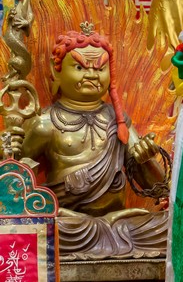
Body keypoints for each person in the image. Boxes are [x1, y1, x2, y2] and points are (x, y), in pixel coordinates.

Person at [10, 23, 169, 259]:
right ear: (56, 72)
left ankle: (106, 233)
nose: (92, 75)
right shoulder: (45, 123)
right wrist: (10, 153)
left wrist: (145, 159)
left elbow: (157, 189)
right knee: (43, 228)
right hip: (69, 222)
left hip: (118, 223)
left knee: (165, 226)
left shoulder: (118, 120)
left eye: (100, 68)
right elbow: (16, 182)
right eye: (80, 67)